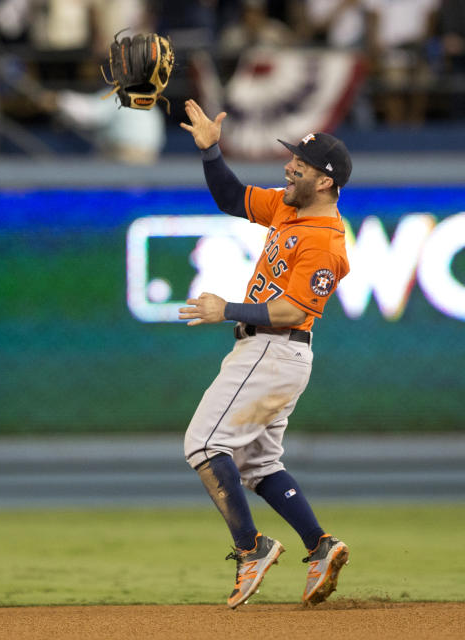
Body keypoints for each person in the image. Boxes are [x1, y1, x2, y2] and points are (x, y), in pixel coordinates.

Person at [177, 99, 351, 608]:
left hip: (274, 350)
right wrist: (210, 150)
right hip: (276, 358)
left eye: (301, 162)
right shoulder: (289, 206)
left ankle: (250, 549)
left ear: (324, 181)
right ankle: (320, 545)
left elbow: (294, 311)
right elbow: (232, 197)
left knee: (204, 445)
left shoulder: (325, 241)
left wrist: (225, 308)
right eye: (293, 154)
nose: (289, 164)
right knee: (257, 466)